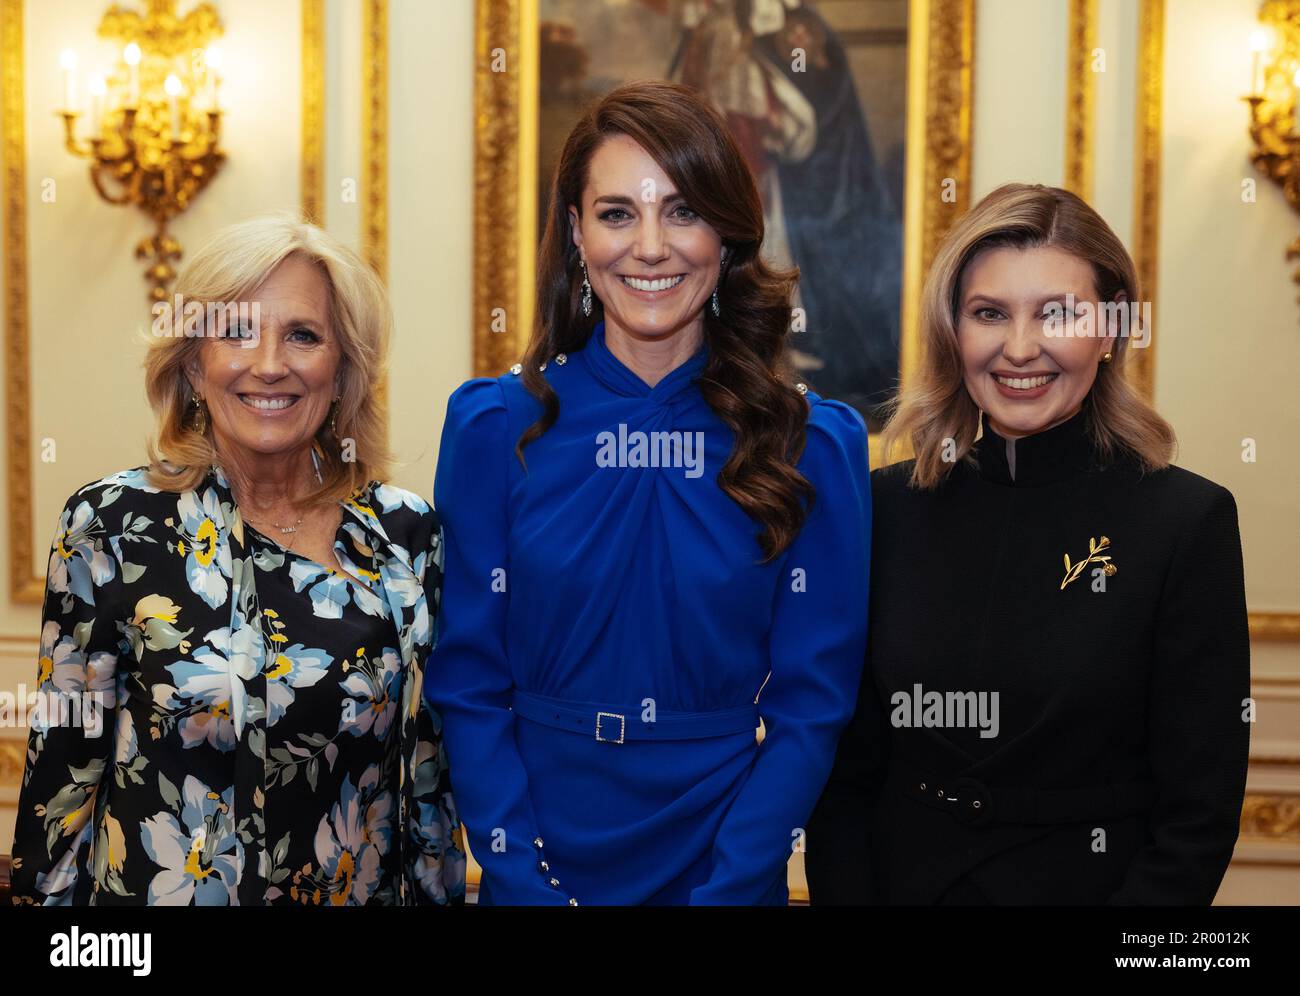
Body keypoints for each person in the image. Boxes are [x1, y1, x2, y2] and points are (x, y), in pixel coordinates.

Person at [425, 80, 871, 905]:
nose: (652, 247)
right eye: (618, 213)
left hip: (725, 857)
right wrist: (521, 880)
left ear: (729, 237)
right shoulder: (494, 427)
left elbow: (814, 706)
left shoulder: (814, 444)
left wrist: (734, 884)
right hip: (537, 855)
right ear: (575, 232)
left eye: (684, 211)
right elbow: (468, 684)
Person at [807, 183, 1250, 905]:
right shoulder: (880, 508)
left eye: (1059, 314)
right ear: (954, 331)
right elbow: (844, 774)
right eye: (989, 314)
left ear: (1110, 331)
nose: (1019, 348)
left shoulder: (1185, 521)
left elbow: (1196, 819)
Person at [11, 216, 465, 906]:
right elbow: (62, 783)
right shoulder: (112, 527)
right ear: (195, 363)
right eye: (238, 332)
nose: (270, 363)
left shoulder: (406, 535)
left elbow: (428, 783)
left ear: (342, 369)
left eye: (303, 335)